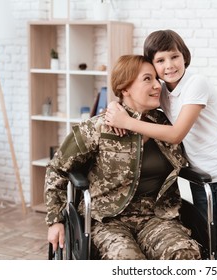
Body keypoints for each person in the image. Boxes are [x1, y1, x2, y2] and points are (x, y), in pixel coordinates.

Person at [105, 30, 217, 260]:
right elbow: (131, 94)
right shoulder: (162, 91)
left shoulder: (196, 83)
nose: (169, 65)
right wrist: (113, 105)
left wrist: (127, 122)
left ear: (184, 57)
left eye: (174, 57)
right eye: (160, 60)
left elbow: (176, 134)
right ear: (152, 65)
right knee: (207, 241)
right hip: (201, 177)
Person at [45, 54, 201, 260]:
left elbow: (198, 132)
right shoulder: (99, 128)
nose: (157, 86)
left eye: (157, 79)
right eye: (147, 79)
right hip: (106, 220)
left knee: (184, 254)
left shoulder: (165, 123)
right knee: (127, 259)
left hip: (156, 217)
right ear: (125, 88)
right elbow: (58, 168)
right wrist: (55, 220)